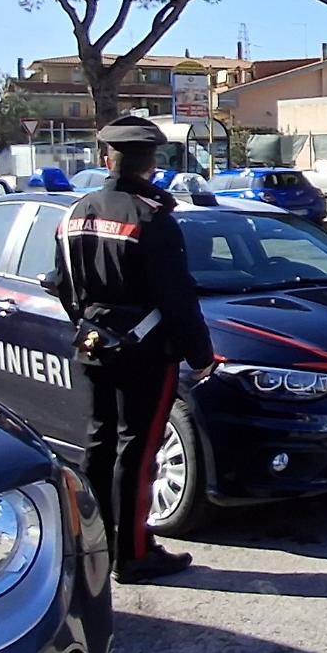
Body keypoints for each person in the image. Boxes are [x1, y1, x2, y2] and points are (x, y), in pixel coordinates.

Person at [52, 115, 216, 584]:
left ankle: (95, 544)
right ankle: (135, 553)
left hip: (92, 344)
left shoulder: (76, 212)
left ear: (108, 160)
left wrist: (90, 325)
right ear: (152, 165)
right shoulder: (151, 218)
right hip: (145, 351)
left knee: (100, 444)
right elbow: (177, 296)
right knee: (139, 451)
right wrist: (200, 354)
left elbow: (61, 285)